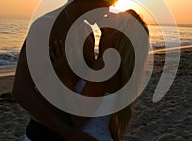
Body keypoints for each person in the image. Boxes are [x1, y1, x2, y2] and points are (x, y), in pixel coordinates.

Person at [12, 0, 119, 141]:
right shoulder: (46, 27)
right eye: (106, 4)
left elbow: (88, 86)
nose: (107, 12)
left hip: (78, 131)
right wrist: (68, 134)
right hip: (45, 135)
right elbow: (20, 91)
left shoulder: (88, 32)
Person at [51, 9, 149, 141]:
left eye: (117, 17)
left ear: (117, 32)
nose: (109, 15)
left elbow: (79, 118)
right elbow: (111, 122)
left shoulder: (106, 64)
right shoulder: (113, 64)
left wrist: (64, 76)